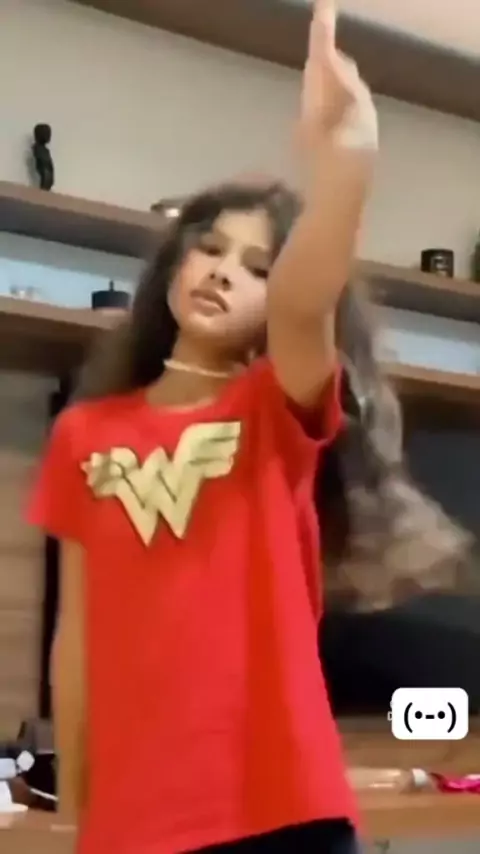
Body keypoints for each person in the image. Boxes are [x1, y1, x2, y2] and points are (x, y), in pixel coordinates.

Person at [28, 2, 469, 852]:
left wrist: (345, 165)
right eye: (210, 247)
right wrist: (81, 808)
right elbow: (75, 639)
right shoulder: (85, 433)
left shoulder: (273, 407)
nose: (225, 272)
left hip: (283, 809)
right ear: (174, 260)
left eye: (258, 265)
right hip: (139, 819)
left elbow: (306, 304)